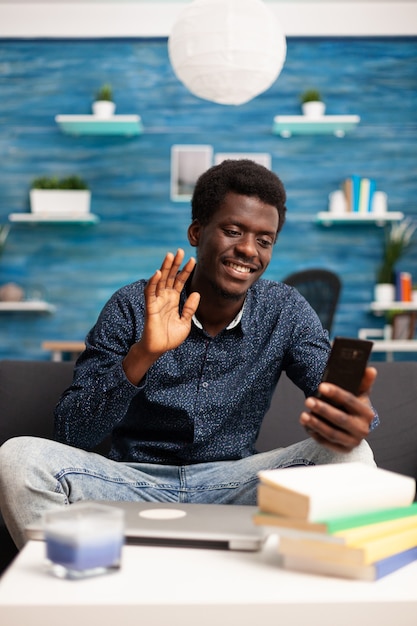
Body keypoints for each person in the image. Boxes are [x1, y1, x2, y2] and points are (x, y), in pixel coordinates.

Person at [0, 159, 377, 549]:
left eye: (264, 240)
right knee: (17, 459)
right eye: (233, 231)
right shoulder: (132, 306)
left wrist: (352, 414)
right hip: (130, 483)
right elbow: (71, 433)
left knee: (353, 457)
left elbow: (334, 391)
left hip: (235, 484)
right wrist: (142, 355)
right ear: (197, 232)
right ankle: (69, 596)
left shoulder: (285, 310)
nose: (248, 250)